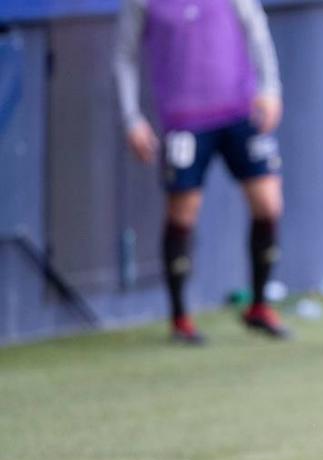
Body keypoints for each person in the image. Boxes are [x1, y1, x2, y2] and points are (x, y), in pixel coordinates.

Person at [114, 0, 289, 343]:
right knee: (183, 213)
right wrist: (131, 118)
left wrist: (270, 88)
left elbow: (257, 30)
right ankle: (180, 317)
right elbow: (125, 55)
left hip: (240, 112)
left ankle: (259, 304)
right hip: (185, 120)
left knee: (268, 203)